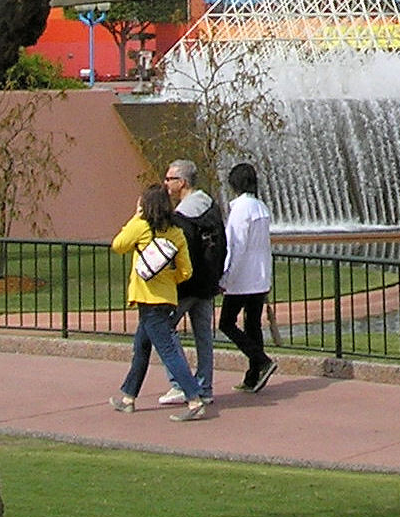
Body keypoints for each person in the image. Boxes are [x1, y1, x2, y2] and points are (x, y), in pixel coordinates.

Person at [109, 182, 206, 420]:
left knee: (169, 351)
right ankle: (128, 397)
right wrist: (167, 278)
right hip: (166, 298)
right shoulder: (176, 233)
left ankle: (194, 399)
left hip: (147, 299)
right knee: (141, 348)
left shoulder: (141, 226)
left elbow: (118, 245)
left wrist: (135, 216)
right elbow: (186, 272)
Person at [157, 158, 225, 408]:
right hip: (208, 283)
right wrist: (219, 277)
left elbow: (181, 254)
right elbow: (222, 245)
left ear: (182, 182)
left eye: (169, 179)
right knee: (203, 337)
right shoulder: (211, 206)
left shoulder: (182, 217)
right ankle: (204, 388)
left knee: (162, 329)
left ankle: (180, 384)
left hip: (187, 285)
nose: (165, 184)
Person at [219, 161, 277, 394]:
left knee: (226, 323)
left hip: (243, 278)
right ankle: (253, 376)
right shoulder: (261, 207)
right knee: (252, 325)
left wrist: (225, 277)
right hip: (260, 276)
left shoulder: (241, 209)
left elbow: (236, 246)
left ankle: (261, 361)